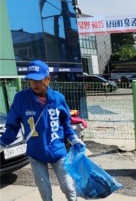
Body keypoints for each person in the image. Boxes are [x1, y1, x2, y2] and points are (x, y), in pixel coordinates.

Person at [0, 60, 84, 201]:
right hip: (36, 152)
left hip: (58, 151)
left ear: (48, 79)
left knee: (68, 187)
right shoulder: (21, 99)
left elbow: (65, 123)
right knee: (45, 192)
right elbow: (12, 125)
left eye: (38, 80)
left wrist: (73, 138)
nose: (34, 84)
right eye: (31, 80)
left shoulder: (58, 98)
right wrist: (2, 144)